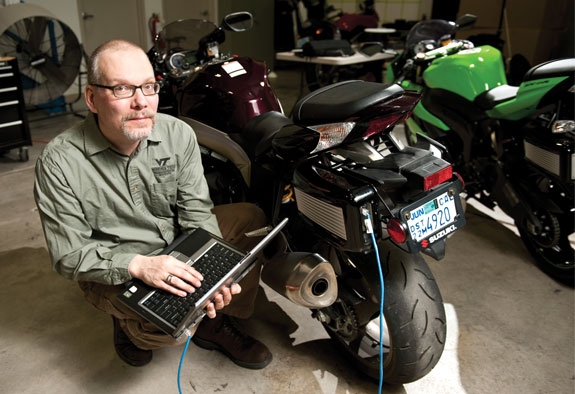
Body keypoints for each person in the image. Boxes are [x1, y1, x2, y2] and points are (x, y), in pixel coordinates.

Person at [33, 39, 272, 369]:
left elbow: (197, 212)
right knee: (166, 331)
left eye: (149, 87)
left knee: (251, 219)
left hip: (176, 245)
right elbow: (68, 255)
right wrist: (139, 266)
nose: (141, 102)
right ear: (91, 98)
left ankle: (213, 323)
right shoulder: (59, 162)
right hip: (117, 265)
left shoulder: (177, 134)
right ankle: (127, 323)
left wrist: (211, 272)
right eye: (122, 89)